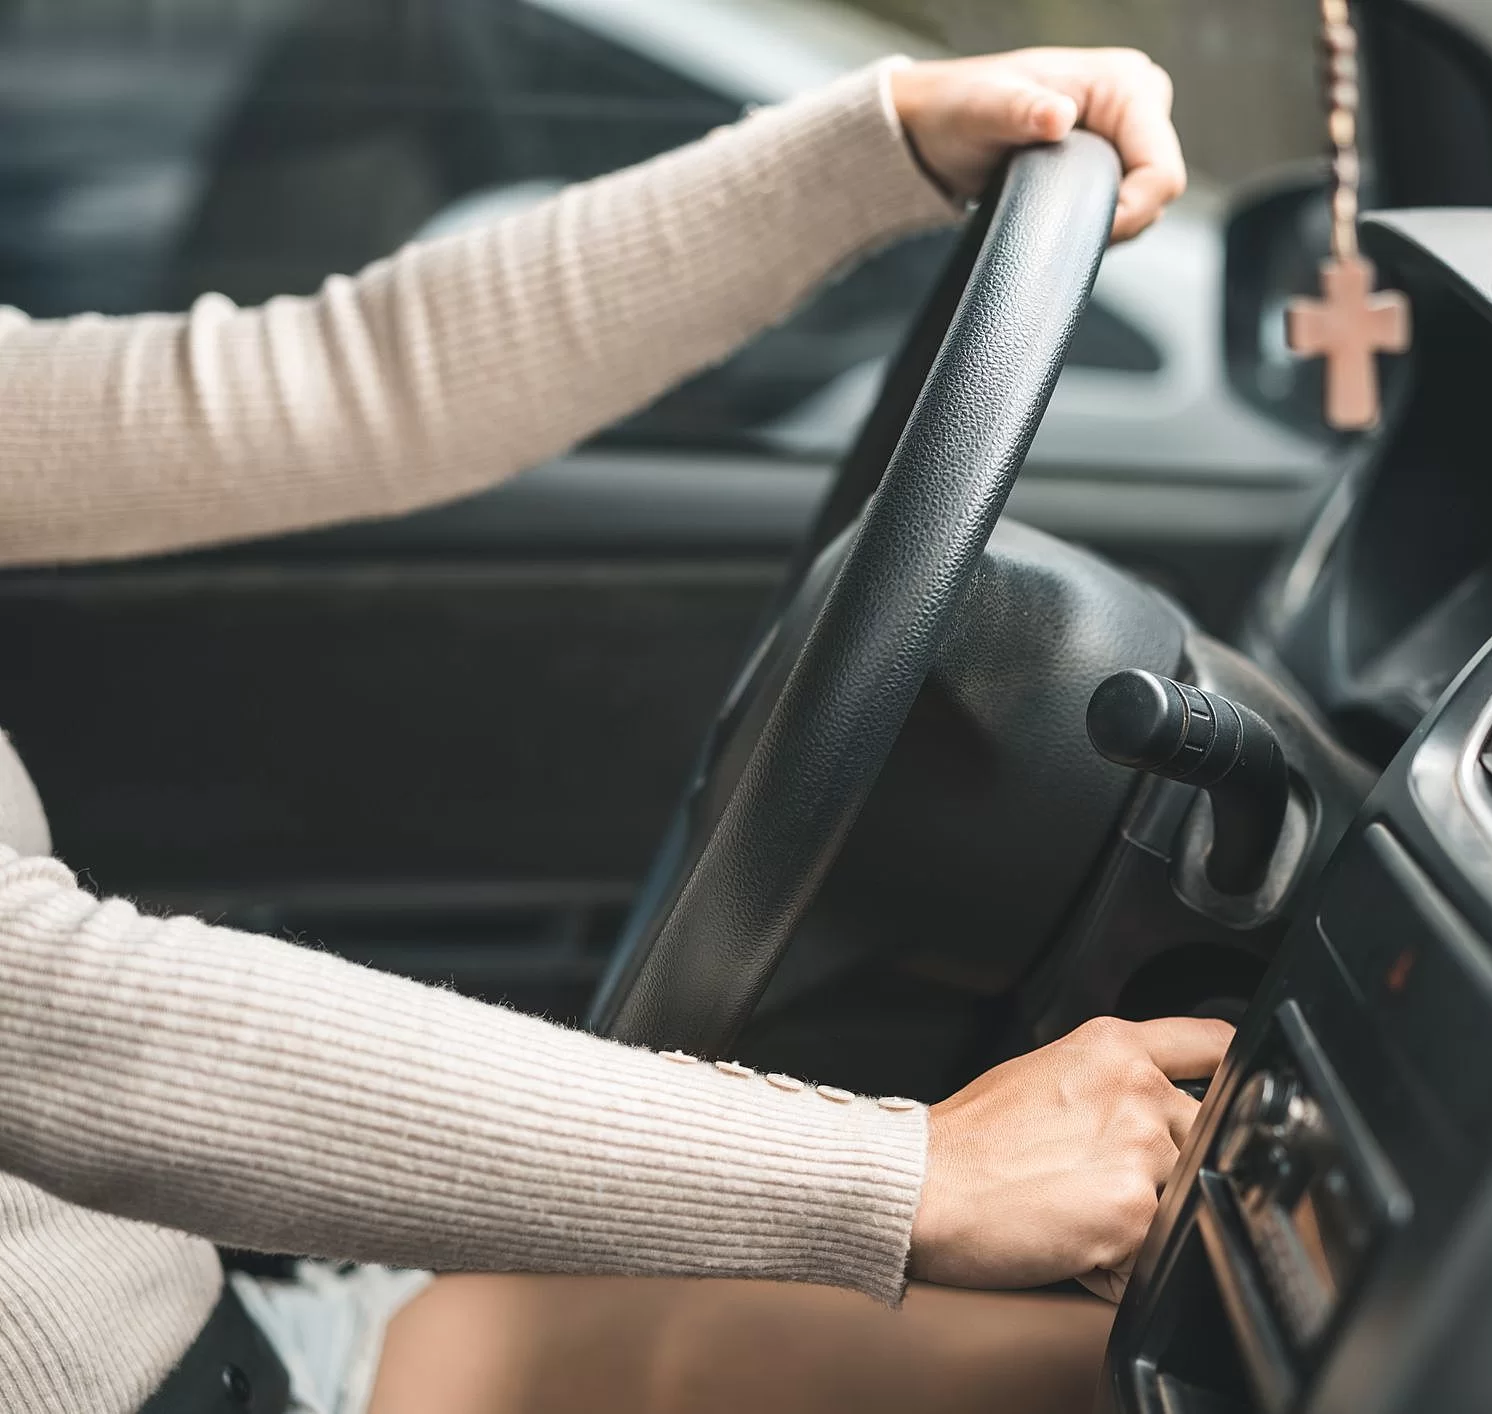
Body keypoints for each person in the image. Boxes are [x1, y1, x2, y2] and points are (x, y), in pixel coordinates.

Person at [0, 44, 1228, 1414]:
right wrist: (912, 1176)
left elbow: (327, 381)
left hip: (239, 1342)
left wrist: (877, 145)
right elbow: (50, 1023)